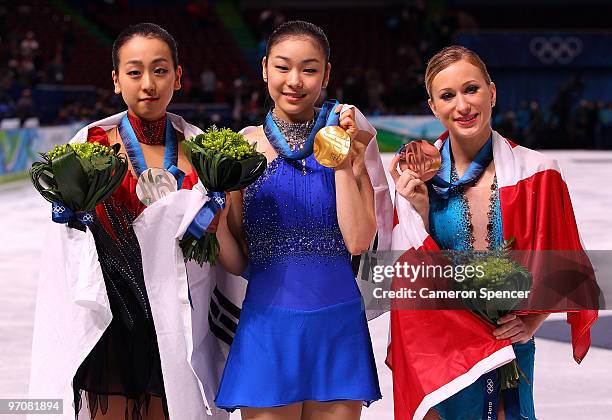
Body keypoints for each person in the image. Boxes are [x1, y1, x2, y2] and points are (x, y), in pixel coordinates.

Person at [28, 23, 235, 420]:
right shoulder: (90, 147)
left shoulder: (202, 152)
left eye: (160, 70)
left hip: (178, 326)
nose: (148, 84)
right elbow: (67, 249)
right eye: (135, 72)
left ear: (178, 76)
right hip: (112, 325)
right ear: (116, 79)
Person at [387, 46, 598, 420]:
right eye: (447, 96)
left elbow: (566, 265)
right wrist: (417, 206)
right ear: (433, 107)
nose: (462, 105)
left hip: (507, 342)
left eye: (471, 89)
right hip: (440, 346)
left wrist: (530, 322)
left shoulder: (537, 172)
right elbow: (409, 276)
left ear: (493, 92)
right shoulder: (417, 180)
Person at [214, 20, 393, 420]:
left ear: (326, 74)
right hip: (266, 329)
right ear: (264, 69)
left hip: (337, 325)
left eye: (309, 69)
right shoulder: (242, 147)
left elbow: (359, 241)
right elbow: (240, 262)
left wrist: (344, 160)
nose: (295, 80)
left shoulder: (349, 133)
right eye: (283, 67)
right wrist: (213, 220)